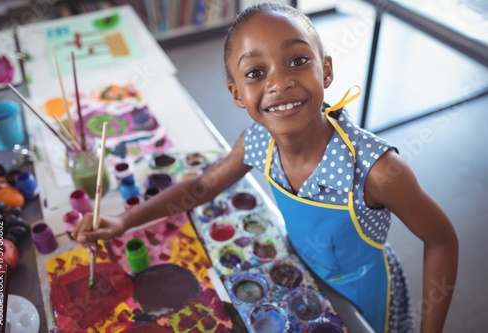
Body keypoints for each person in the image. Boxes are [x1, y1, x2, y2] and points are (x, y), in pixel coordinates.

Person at [73, 3, 458, 332]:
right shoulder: (257, 143)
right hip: (304, 273)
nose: (280, 82)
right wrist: (125, 221)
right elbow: (200, 189)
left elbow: (441, 239)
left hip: (368, 295)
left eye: (298, 61)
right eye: (256, 73)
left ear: (325, 70)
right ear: (236, 93)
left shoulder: (377, 171)